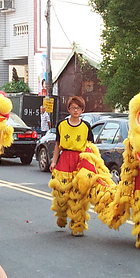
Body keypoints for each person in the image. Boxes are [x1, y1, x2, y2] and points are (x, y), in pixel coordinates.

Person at [48, 96, 100, 236]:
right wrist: (54, 161)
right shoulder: (61, 125)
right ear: (69, 109)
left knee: (78, 197)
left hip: (80, 161)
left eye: (78, 108)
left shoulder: (86, 126)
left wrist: (94, 165)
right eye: (73, 108)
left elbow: (91, 147)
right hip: (64, 160)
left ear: (82, 110)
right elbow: (58, 145)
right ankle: (62, 215)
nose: (75, 110)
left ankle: (78, 225)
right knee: (61, 194)